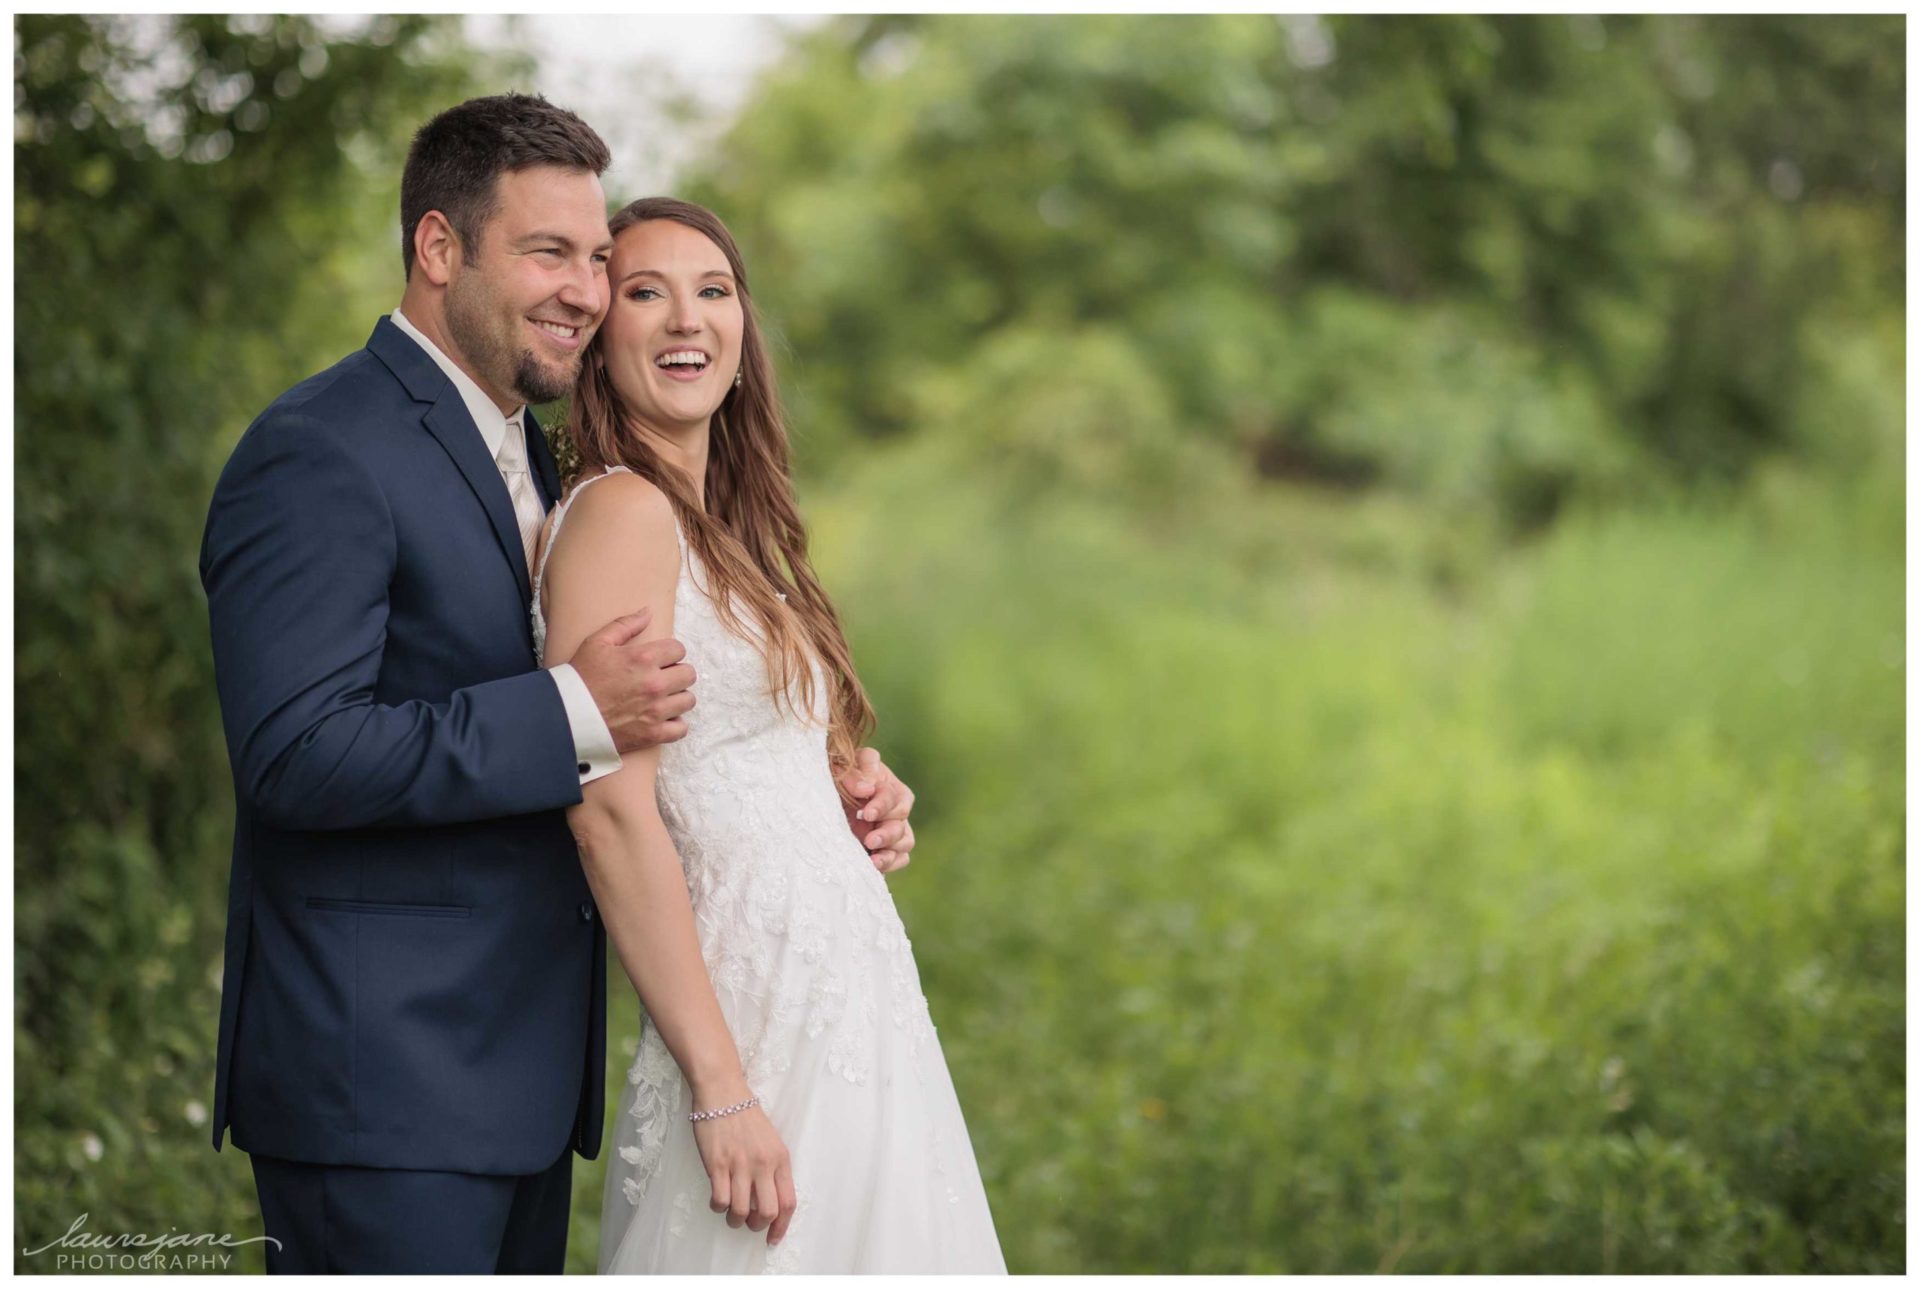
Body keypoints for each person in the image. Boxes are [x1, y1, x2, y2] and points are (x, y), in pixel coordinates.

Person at [198, 95, 919, 1274]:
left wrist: (804, 791)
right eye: (550, 254)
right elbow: (295, 754)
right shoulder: (323, 447)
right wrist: (574, 709)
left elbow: (646, 751)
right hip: (381, 1080)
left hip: (521, 1075)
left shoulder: (535, 454)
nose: (584, 290)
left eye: (595, 259)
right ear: (439, 249)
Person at [531, 197, 1005, 1274]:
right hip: (755, 1019)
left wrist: (846, 790)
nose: (683, 318)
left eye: (713, 290)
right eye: (644, 292)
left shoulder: (725, 530)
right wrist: (721, 1084)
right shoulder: (623, 512)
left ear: (744, 333)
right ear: (600, 343)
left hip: (847, 1002)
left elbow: (738, 757)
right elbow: (607, 807)